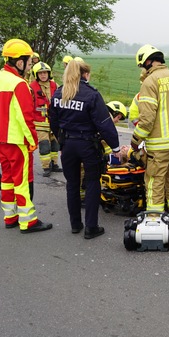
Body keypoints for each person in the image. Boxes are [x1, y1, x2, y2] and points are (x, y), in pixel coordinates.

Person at [0, 38, 53, 233]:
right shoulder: (19, 84)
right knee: (22, 181)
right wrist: (32, 141)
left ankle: (10, 217)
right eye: (29, 62)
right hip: (17, 141)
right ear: (19, 61)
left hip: (0, 138)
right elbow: (26, 117)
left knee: (7, 178)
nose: (30, 66)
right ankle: (28, 221)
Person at [49, 58, 120, 239]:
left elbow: (53, 121)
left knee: (72, 185)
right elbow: (104, 124)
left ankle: (75, 224)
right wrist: (116, 147)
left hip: (68, 145)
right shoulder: (91, 95)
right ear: (85, 74)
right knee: (92, 184)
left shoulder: (58, 94)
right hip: (88, 144)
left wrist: (61, 140)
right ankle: (91, 227)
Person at [130, 44, 169, 218]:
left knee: (155, 184)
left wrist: (135, 140)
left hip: (159, 148)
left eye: (142, 66)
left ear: (148, 61)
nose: (142, 70)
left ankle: (155, 223)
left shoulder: (150, 82)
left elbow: (147, 119)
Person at [29, 61, 62, 177]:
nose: (43, 75)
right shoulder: (31, 88)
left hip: (53, 121)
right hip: (40, 122)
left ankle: (54, 164)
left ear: (49, 73)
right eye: (40, 73)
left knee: (55, 145)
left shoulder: (55, 85)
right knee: (44, 145)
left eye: (45, 73)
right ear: (36, 75)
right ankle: (46, 167)